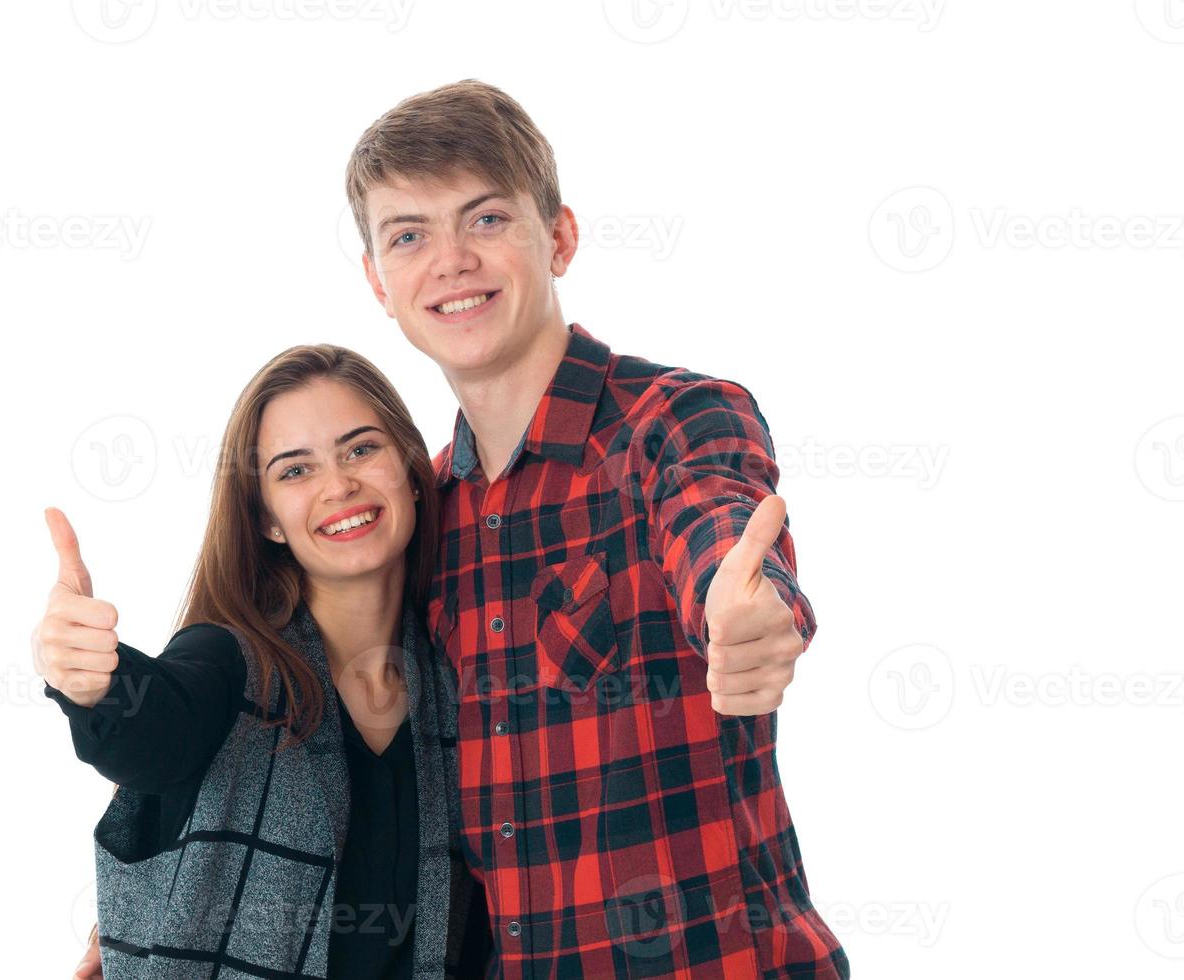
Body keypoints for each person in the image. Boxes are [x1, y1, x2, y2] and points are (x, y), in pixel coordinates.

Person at [76, 78, 848, 978]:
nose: (450, 261)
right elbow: (372, 788)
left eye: (484, 220)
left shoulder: (673, 421)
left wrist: (744, 611)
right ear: (379, 281)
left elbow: (718, 531)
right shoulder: (424, 516)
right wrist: (164, 921)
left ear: (556, 237)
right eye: (409, 235)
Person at [35, 345, 491, 979]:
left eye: (361, 449)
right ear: (268, 522)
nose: (339, 486)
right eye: (295, 471)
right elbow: (154, 738)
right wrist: (92, 684)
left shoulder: (457, 682)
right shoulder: (229, 661)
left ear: (413, 472)